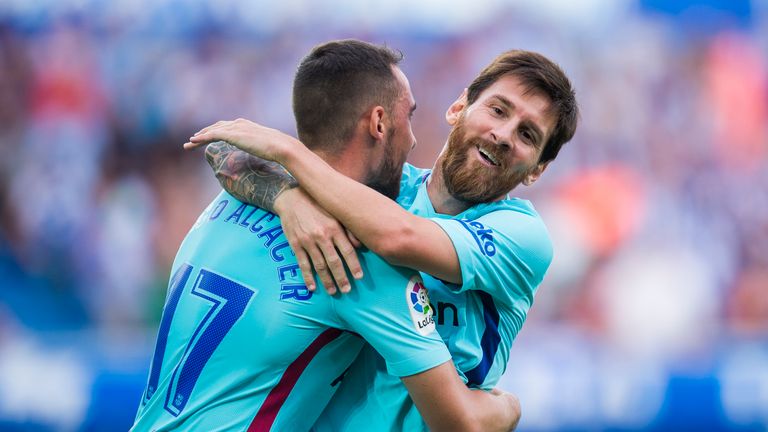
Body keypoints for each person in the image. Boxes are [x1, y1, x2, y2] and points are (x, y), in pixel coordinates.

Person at [134, 40, 521, 432]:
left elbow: (223, 153)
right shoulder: (351, 258)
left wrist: (287, 198)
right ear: (379, 123)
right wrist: (509, 409)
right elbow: (461, 424)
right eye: (410, 116)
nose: (415, 138)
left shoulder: (234, 197)